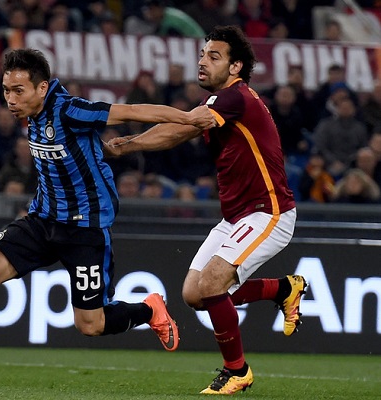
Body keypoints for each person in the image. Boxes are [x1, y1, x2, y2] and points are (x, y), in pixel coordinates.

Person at [0, 48, 215, 382]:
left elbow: (133, 111)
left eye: (19, 91)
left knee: (91, 325)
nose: (11, 99)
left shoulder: (70, 110)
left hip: (85, 228)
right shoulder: (32, 114)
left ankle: (149, 310)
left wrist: (190, 118)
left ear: (42, 88)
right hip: (43, 220)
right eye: (6, 90)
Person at [105, 26, 307, 394]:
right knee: (194, 294)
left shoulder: (235, 97)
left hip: (268, 211)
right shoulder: (218, 103)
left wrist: (128, 133)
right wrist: (127, 145)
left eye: (214, 56)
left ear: (235, 67)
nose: (202, 61)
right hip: (237, 216)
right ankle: (283, 289)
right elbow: (180, 131)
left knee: (212, 283)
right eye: (202, 54)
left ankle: (237, 371)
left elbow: (184, 126)